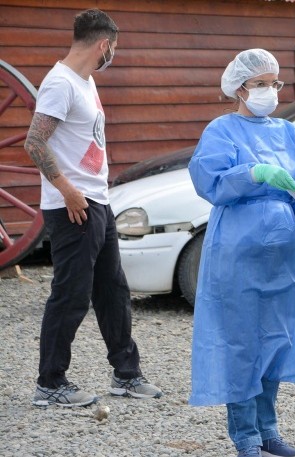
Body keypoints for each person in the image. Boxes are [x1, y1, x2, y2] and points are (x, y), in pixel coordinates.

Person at [187, 48, 295, 457]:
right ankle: (245, 435)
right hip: (237, 255)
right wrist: (253, 173)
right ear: (239, 88)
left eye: (274, 83)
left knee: (277, 340)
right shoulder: (221, 131)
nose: (269, 91)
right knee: (241, 342)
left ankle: (268, 429)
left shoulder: (291, 133)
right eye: (260, 83)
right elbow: (210, 182)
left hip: (285, 258)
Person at [24, 8, 162, 408]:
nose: (111, 55)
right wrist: (67, 190)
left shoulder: (84, 83)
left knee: (113, 291)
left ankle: (127, 374)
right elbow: (34, 143)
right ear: (103, 44)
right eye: (112, 48)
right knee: (70, 295)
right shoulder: (60, 84)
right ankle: (50, 383)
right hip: (73, 208)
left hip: (97, 202)